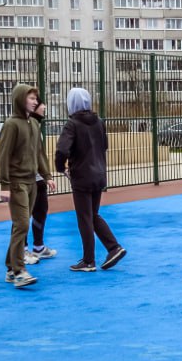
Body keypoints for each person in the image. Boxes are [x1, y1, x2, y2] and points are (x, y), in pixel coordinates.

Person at [55, 87, 126, 272]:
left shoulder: (72, 124)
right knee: (93, 215)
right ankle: (113, 248)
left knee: (84, 218)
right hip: (99, 174)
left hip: (81, 176)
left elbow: (62, 149)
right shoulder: (99, 122)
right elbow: (105, 145)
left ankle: (89, 260)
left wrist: (60, 166)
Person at [0, 84, 56, 287]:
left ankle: (10, 268)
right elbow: (3, 156)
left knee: (20, 224)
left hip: (32, 182)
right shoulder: (11, 124)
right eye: (31, 98)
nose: (35, 102)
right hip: (16, 183)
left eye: (35, 98)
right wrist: (5, 184)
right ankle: (19, 270)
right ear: (21, 99)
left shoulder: (33, 124)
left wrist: (47, 175)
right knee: (22, 224)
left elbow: (38, 153)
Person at [24, 99, 57, 265]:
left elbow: (40, 154)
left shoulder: (37, 126)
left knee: (41, 210)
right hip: (24, 180)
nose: (43, 106)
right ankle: (21, 251)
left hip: (38, 178)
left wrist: (46, 176)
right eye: (39, 102)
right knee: (22, 216)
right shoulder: (21, 125)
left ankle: (38, 247)